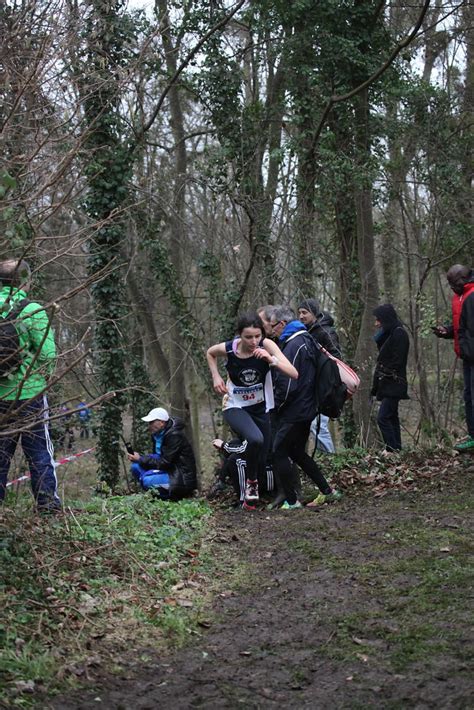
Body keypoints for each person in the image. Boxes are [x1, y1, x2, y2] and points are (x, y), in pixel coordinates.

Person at [206, 312, 298, 510]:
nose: (253, 341)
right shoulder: (230, 348)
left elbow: (294, 373)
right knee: (255, 439)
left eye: (257, 336)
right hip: (235, 406)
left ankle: (248, 502)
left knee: (263, 453)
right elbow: (210, 353)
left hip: (261, 407)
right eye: (248, 337)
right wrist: (216, 377)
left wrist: (270, 359)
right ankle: (252, 483)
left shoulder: (267, 346)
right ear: (240, 335)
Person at [0, 259, 60, 512]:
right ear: (24, 281)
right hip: (31, 395)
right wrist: (42, 379)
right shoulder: (32, 309)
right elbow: (47, 354)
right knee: (38, 453)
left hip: (1, 397)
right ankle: (47, 507)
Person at [269, 305, 342, 509]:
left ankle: (292, 501)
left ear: (283, 324)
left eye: (273, 326)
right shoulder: (306, 338)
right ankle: (328, 491)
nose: (272, 331)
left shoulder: (294, 344)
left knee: (279, 451)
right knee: (298, 452)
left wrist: (276, 406)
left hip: (295, 410)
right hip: (306, 408)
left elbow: (288, 383)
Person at [433, 264, 474, 452]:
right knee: (468, 396)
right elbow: (462, 327)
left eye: (453, 283)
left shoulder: (472, 296)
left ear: (462, 280)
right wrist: (448, 331)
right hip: (466, 355)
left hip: (471, 354)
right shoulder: (459, 297)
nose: (450, 287)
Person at [298, 298, 342, 454]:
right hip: (310, 384)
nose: (301, 316)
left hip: (324, 385)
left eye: (305, 312)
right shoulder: (307, 332)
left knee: (319, 424)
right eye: (300, 313)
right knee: (313, 424)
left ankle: (330, 458)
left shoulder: (326, 331)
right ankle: (324, 457)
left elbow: (336, 357)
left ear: (314, 313)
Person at [127, 407, 197, 500]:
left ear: (162, 423)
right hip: (167, 469)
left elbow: (165, 462)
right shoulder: (157, 434)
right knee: (135, 466)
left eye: (152, 422)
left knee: (147, 480)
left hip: (179, 475)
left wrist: (141, 459)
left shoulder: (174, 435)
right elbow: (157, 457)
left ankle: (166, 496)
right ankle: (154, 490)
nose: (149, 426)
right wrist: (140, 459)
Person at [370, 304, 409, 452]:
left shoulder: (399, 334)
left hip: (394, 383)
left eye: (378, 320)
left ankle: (392, 449)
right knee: (391, 417)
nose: (376, 323)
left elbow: (397, 361)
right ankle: (397, 449)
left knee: (383, 417)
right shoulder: (390, 334)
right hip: (387, 383)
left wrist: (385, 372)